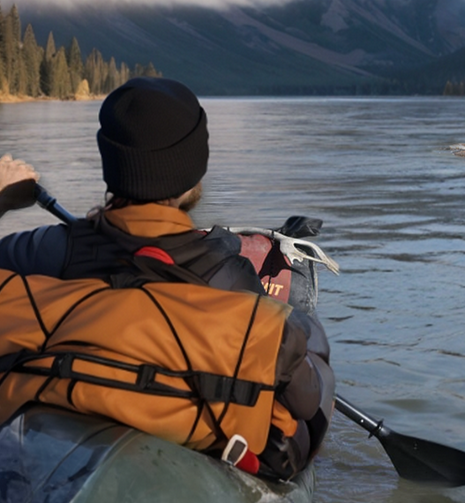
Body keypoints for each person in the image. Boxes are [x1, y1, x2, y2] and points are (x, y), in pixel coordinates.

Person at [0, 77, 334, 480]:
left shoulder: (40, 253)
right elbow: (306, 401)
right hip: (190, 439)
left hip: (57, 424)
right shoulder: (229, 278)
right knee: (305, 342)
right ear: (194, 172)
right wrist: (303, 335)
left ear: (111, 162)